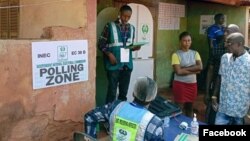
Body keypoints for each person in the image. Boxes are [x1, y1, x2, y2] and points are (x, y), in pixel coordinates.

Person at [84, 77, 164, 140]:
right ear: (152, 98)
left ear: (133, 93)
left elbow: (90, 117)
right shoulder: (154, 122)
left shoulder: (115, 107)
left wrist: (91, 138)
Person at [98, 5, 141, 104]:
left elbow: (128, 46)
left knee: (123, 94)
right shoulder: (109, 26)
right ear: (119, 14)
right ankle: (109, 114)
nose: (126, 19)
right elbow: (100, 44)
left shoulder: (132, 28)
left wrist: (135, 48)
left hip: (127, 66)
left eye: (128, 17)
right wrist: (109, 54)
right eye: (124, 16)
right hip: (114, 65)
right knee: (112, 93)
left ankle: (121, 114)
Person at [204, 24, 240, 124]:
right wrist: (207, 92)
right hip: (217, 90)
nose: (225, 34)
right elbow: (210, 71)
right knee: (212, 118)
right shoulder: (216, 49)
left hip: (236, 95)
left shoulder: (244, 52)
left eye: (228, 31)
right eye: (224, 31)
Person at [212, 32, 250, 125]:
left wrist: (248, 113)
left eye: (229, 43)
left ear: (239, 44)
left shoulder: (248, 62)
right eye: (226, 42)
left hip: (240, 111)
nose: (226, 46)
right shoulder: (225, 58)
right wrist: (214, 96)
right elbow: (220, 77)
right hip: (224, 107)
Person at [171, 31, 203, 117]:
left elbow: (200, 67)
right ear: (180, 42)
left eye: (189, 40)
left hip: (192, 85)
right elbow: (178, 72)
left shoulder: (195, 53)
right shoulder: (176, 54)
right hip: (180, 84)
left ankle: (189, 127)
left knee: (190, 107)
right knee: (179, 108)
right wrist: (194, 70)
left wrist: (184, 69)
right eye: (184, 40)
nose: (187, 43)